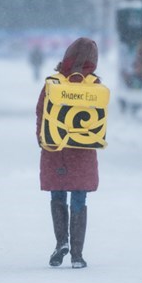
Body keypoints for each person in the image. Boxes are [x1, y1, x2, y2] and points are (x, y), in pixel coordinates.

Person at [35, 37, 100, 269]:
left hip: (56, 149)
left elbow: (41, 112)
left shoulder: (53, 83)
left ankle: (61, 242)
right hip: (82, 150)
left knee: (58, 194)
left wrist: (42, 140)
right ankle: (77, 255)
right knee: (80, 197)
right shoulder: (94, 86)